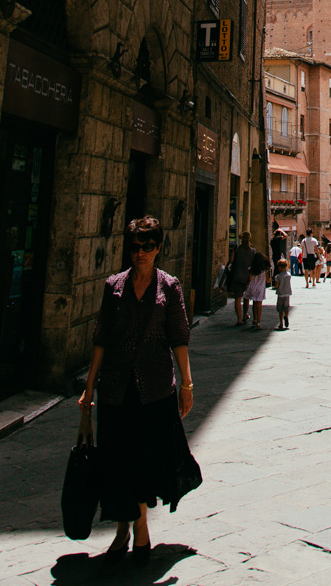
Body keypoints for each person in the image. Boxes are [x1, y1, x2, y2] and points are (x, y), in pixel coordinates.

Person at [78, 215, 201, 563]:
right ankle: (124, 528)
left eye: (148, 246)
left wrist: (187, 384)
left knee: (145, 459)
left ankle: (140, 525)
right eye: (135, 247)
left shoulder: (170, 286)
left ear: (158, 247)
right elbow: (100, 340)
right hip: (116, 388)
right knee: (117, 460)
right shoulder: (113, 286)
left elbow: (179, 339)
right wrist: (89, 389)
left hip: (155, 389)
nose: (141, 253)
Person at [226, 231, 255, 324]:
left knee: (237, 299)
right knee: (246, 298)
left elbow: (231, 261)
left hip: (237, 276)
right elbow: (253, 265)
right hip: (247, 278)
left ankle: (238, 319)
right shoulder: (253, 251)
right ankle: (245, 315)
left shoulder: (236, 249)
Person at [242, 247, 271, 329]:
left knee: (254, 303)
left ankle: (254, 319)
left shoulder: (251, 269)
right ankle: (258, 321)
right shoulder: (264, 270)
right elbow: (268, 280)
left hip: (252, 287)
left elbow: (250, 278)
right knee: (259, 304)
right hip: (260, 288)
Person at [274, 257, 292, 329]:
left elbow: (277, 285)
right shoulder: (288, 275)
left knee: (280, 309)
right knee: (286, 308)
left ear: (280, 267)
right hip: (287, 293)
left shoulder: (278, 276)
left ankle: (281, 323)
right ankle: (286, 316)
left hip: (281, 294)